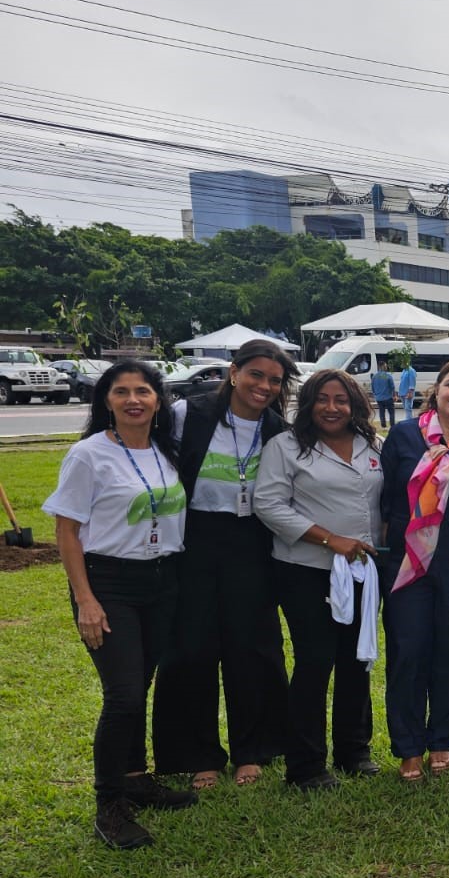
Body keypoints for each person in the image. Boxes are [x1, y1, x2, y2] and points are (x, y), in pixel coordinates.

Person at [45, 361, 197, 849]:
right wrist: (85, 599)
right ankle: (109, 805)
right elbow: (67, 531)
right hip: (109, 582)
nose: (134, 400)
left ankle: (134, 778)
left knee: (140, 685)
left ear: (158, 400)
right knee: (124, 694)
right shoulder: (89, 455)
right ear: (106, 401)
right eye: (121, 392)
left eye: (143, 391)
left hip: (163, 580)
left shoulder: (165, 451)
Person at [152, 340, 296, 791]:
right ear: (234, 373)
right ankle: (198, 755)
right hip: (193, 539)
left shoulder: (278, 430)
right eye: (256, 374)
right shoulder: (187, 414)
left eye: (274, 380)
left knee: (252, 647)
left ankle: (252, 750)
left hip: (252, 542)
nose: (264, 386)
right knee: (190, 647)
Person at [253, 369, 383, 790]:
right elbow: (268, 504)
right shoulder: (286, 447)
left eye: (341, 400)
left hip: (362, 571)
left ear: (354, 405)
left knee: (356, 661)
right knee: (315, 661)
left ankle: (353, 750)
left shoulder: (372, 444)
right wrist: (330, 539)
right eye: (322, 399)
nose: (332, 408)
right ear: (308, 404)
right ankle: (306, 765)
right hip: (307, 571)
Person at [378, 359, 449, 781]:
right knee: (408, 650)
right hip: (408, 560)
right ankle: (408, 747)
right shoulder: (404, 435)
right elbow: (385, 498)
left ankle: (443, 738)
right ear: (436, 389)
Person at [371, 358, 396, 430]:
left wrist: (375, 395)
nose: (386, 367)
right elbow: (392, 387)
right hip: (388, 397)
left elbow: (372, 387)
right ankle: (392, 425)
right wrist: (394, 395)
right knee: (391, 412)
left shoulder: (374, 376)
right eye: (385, 366)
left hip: (379, 398)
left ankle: (383, 426)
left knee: (381, 412)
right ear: (382, 366)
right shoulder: (388, 375)